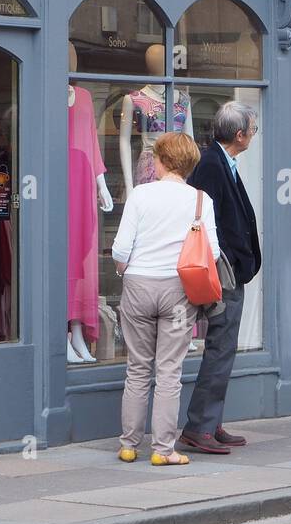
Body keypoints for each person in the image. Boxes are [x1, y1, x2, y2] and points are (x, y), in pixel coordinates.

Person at [110, 132, 219, 466]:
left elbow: (120, 249)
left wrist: (124, 270)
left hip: (138, 286)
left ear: (161, 160)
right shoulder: (201, 201)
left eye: (155, 158)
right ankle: (163, 449)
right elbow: (213, 252)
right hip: (178, 290)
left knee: (137, 369)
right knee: (169, 370)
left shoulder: (141, 195)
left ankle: (129, 445)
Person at [179, 101, 262, 455]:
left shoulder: (222, 160)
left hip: (228, 269)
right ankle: (199, 428)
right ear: (239, 134)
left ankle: (210, 422)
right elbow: (208, 225)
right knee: (220, 347)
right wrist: (226, 260)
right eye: (252, 130)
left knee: (224, 348)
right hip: (220, 272)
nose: (254, 136)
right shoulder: (212, 164)